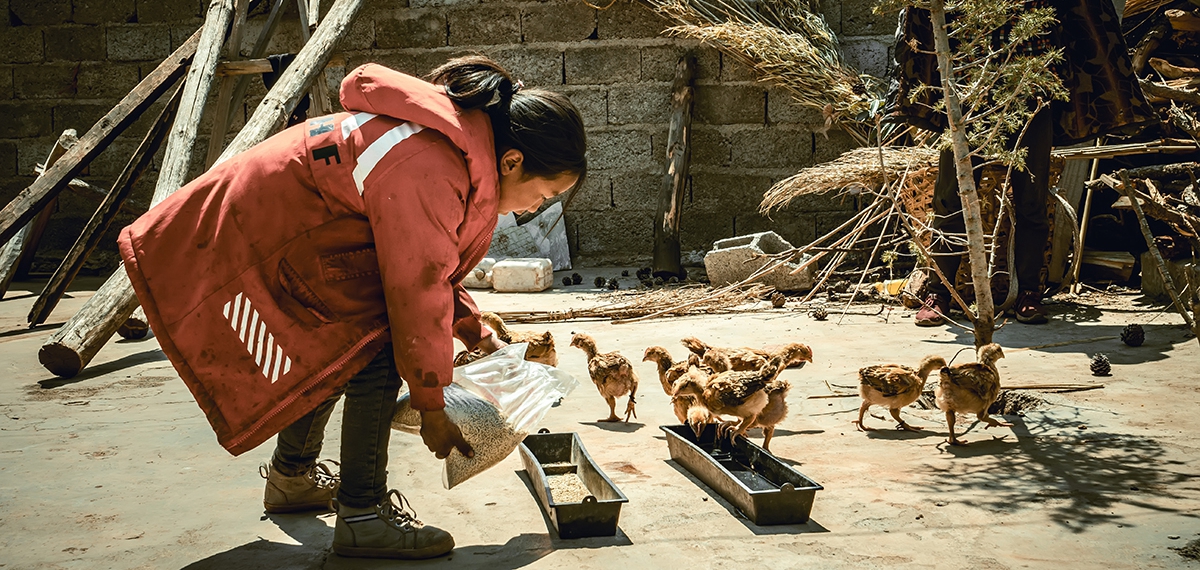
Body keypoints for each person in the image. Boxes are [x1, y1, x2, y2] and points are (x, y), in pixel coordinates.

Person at [117, 55, 586, 560]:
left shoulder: (453, 150)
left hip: (285, 237)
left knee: (339, 345)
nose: (537, 207)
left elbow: (425, 263)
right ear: (513, 161)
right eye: (546, 193)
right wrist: (431, 405)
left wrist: (476, 332)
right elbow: (416, 290)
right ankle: (363, 514)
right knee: (378, 347)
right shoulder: (431, 164)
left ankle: (292, 477)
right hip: (249, 240)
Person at [886, 0, 1156, 326]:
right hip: (971, 87)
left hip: (1031, 88)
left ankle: (1029, 292)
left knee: (1031, 197)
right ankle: (940, 292)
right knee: (950, 194)